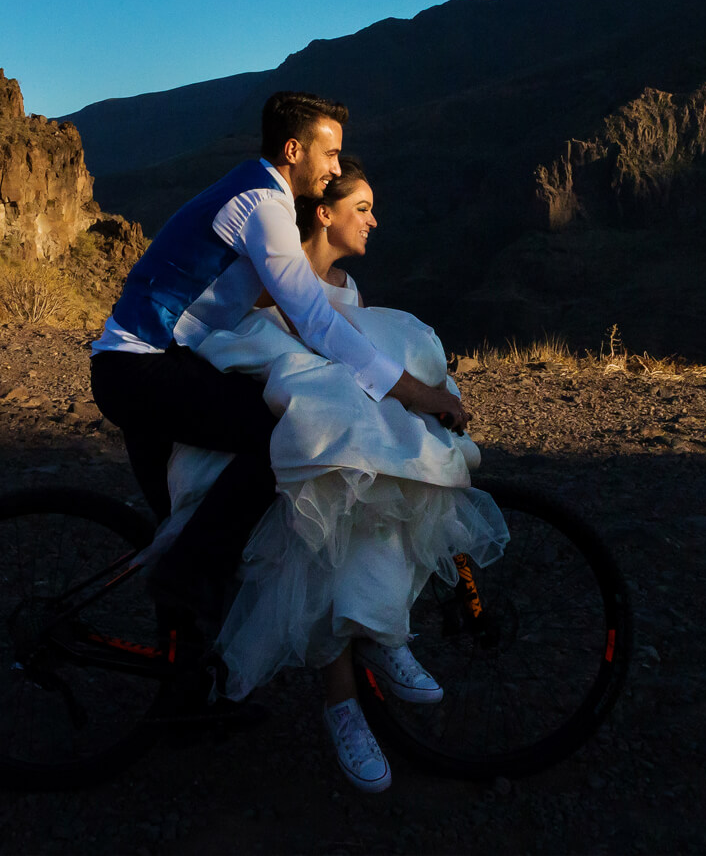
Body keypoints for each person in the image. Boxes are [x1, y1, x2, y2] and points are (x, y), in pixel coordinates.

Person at [140, 158, 506, 793]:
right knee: (320, 519)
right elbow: (258, 352)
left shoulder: (350, 290)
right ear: (323, 213)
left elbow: (359, 364)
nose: (373, 219)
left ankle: (380, 631)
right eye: (360, 207)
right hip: (266, 435)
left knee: (372, 495)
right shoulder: (273, 278)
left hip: (323, 437)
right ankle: (345, 705)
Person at [88, 92, 469, 664]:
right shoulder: (263, 204)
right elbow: (312, 319)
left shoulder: (254, 193)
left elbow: (295, 303)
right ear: (294, 150)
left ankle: (185, 692)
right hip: (139, 367)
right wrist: (415, 392)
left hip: (147, 363)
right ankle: (189, 580)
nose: (337, 168)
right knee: (282, 437)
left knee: (183, 526)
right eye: (331, 154)